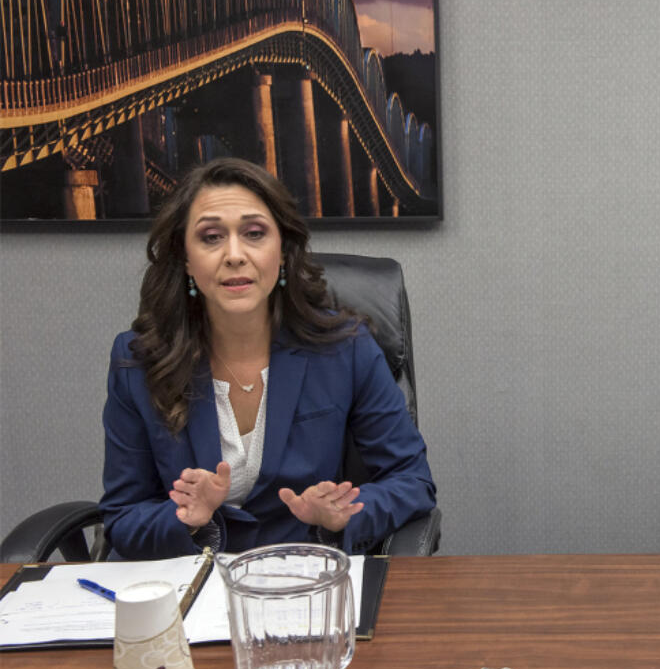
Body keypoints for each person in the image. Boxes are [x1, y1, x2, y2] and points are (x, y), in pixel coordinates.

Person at [100, 157, 436, 559]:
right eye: (211, 237)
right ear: (186, 259)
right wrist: (187, 518)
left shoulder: (344, 348)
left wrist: (341, 515)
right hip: (187, 587)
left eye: (254, 233)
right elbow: (122, 517)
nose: (235, 254)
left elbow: (412, 482)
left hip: (302, 583)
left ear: (283, 250)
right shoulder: (139, 361)